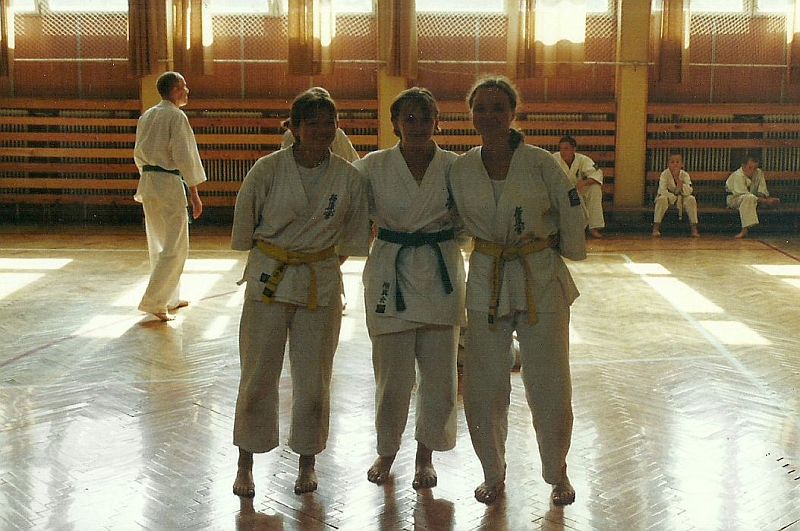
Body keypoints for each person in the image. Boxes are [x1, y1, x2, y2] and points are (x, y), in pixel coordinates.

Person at [448, 76, 587, 506]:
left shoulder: (541, 163)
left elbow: (571, 211)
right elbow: (451, 220)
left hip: (538, 273)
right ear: (471, 115)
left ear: (512, 113)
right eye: (481, 108)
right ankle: (493, 471)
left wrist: (564, 248)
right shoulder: (461, 169)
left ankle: (557, 471)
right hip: (487, 273)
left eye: (498, 108)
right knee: (482, 385)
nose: (489, 116)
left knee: (549, 380)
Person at [230, 88, 370, 498]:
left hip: (318, 284)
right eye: (312, 123)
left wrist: (316, 261)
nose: (322, 130)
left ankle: (307, 462)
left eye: (330, 123)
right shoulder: (267, 170)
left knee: (314, 382)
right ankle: (245, 463)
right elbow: (245, 229)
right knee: (257, 376)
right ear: (293, 128)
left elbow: (353, 237)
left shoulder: (348, 177)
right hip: (269, 281)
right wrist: (286, 258)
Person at [352, 88, 466, 490]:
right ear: (395, 123)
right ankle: (386, 450)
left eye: (425, 118)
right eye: (409, 119)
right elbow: (345, 204)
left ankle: (425, 455)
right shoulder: (372, 166)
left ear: (439, 123)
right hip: (391, 269)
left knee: (439, 376)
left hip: (440, 270)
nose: (418, 126)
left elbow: (470, 217)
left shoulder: (455, 167)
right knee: (392, 377)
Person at [133, 71, 206, 322]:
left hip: (149, 182)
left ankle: (170, 298)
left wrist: (148, 177)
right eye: (184, 86)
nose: (187, 91)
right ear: (175, 90)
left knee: (159, 243)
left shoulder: (147, 115)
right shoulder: (176, 116)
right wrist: (194, 193)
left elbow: (138, 153)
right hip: (168, 184)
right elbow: (185, 155)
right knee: (175, 246)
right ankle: (154, 301)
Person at [280, 87, 360, 163]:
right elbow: (285, 162)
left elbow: (351, 162)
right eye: (313, 123)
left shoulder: (337, 134)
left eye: (328, 123)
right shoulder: (290, 135)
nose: (321, 130)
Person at [552, 135, 605, 238]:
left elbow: (597, 174)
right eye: (561, 149)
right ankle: (559, 229)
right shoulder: (554, 159)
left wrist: (584, 182)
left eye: (566, 148)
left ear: (574, 149)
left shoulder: (583, 160)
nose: (563, 152)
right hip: (560, 192)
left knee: (595, 188)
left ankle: (594, 227)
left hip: (578, 190)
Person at [725, 153, 781, 239]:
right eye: (750, 167)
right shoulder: (737, 175)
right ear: (743, 166)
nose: (753, 171)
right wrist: (765, 201)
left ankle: (747, 228)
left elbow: (762, 190)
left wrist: (766, 199)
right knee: (748, 198)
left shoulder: (759, 173)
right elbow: (743, 194)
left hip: (753, 199)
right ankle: (745, 229)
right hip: (735, 199)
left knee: (750, 199)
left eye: (755, 168)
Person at [652, 151, 700, 237]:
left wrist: (679, 182)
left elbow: (689, 190)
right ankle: (656, 228)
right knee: (661, 199)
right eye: (672, 162)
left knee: (691, 199)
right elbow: (662, 190)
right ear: (668, 164)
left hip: (682, 197)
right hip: (668, 197)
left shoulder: (684, 175)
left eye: (677, 162)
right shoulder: (664, 174)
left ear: (682, 164)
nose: (675, 164)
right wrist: (673, 197)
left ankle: (694, 229)